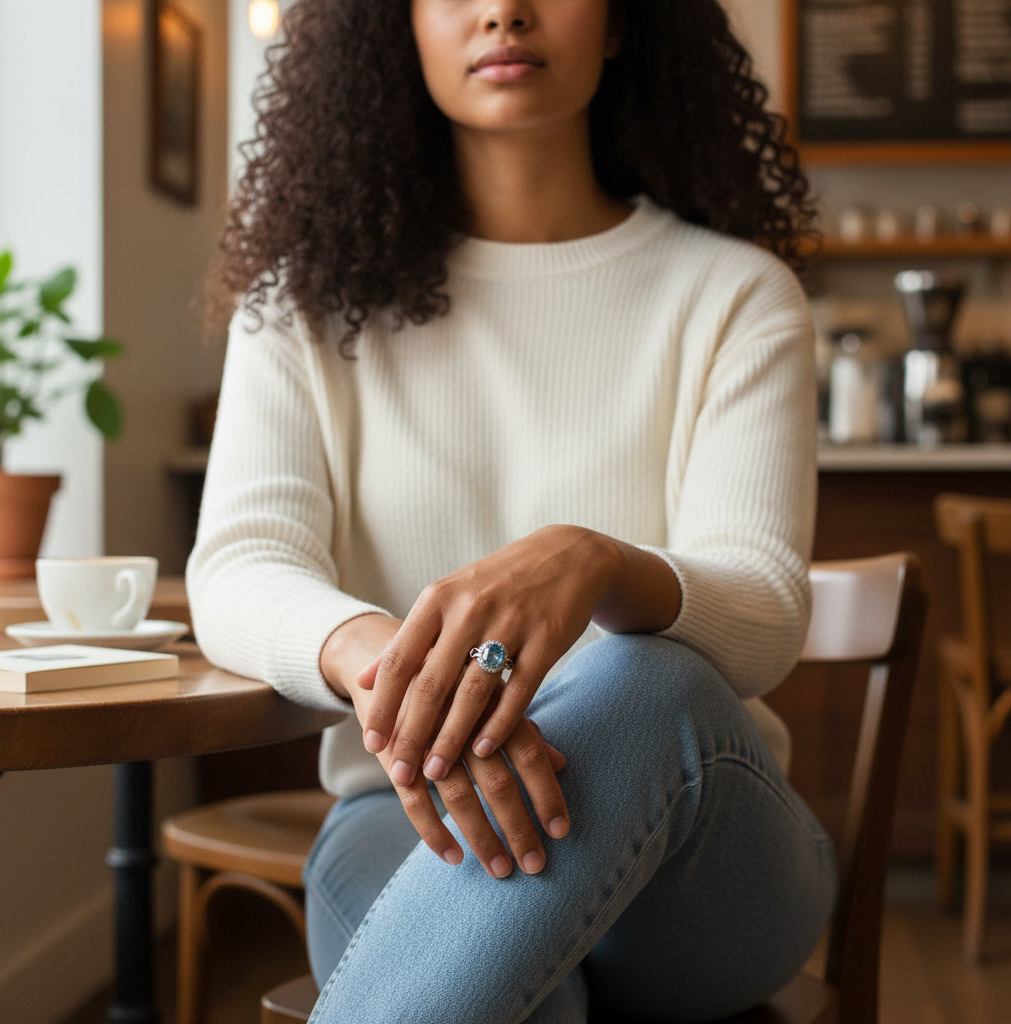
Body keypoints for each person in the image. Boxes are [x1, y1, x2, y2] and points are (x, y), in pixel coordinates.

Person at [187, 0, 837, 1020]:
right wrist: (395, 672)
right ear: (387, 28)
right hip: (413, 814)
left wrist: (595, 564)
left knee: (648, 672)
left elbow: (761, 614)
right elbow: (235, 568)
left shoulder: (735, 297)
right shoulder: (304, 305)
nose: (504, 9)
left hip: (704, 865)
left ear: (625, 22)